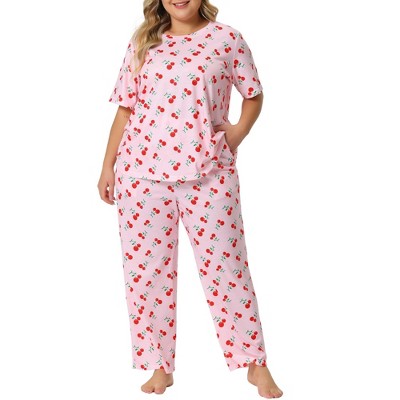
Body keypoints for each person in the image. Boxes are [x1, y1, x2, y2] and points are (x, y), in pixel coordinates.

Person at [98, 0, 283, 398]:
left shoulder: (226, 39)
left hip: (209, 171)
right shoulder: (142, 42)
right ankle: (159, 365)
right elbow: (126, 108)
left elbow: (253, 94)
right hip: (141, 173)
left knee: (227, 268)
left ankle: (255, 363)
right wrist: (107, 165)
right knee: (146, 274)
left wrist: (235, 135)